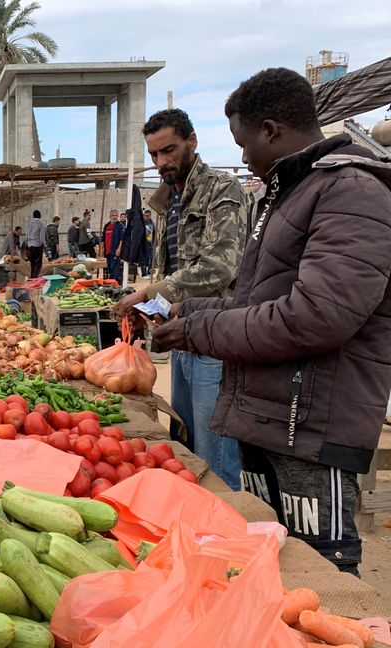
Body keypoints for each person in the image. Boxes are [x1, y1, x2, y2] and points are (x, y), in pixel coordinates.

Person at [153, 68, 391, 575]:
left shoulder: (351, 192)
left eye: (243, 144)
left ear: (270, 130)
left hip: (310, 424)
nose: (242, 158)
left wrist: (199, 330)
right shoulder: (289, 195)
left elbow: (316, 317)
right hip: (272, 416)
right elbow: (255, 298)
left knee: (318, 577)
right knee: (270, 562)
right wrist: (191, 311)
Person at [115, 108, 250, 490]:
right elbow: (172, 270)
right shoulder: (168, 200)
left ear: (192, 141)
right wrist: (149, 308)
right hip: (182, 336)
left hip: (216, 336)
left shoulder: (223, 191)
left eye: (169, 150)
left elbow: (221, 266)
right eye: (154, 154)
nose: (161, 162)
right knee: (185, 440)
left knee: (216, 451)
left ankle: (228, 529)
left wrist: (150, 292)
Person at [101, 209, 124, 283]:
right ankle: (112, 282)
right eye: (113, 215)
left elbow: (122, 238)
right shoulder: (106, 226)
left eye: (116, 215)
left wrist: (119, 249)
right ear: (110, 216)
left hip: (115, 250)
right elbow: (103, 238)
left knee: (115, 269)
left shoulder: (120, 226)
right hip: (108, 251)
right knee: (110, 268)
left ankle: (115, 283)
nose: (115, 217)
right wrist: (102, 248)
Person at [26, 209, 46, 278]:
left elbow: (27, 235)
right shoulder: (41, 223)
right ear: (40, 216)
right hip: (37, 246)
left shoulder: (30, 223)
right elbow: (42, 237)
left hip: (30, 246)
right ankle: (35, 279)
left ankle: (31, 278)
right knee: (38, 265)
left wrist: (28, 245)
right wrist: (45, 247)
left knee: (32, 264)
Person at [141, 209, 156, 279]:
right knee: (144, 259)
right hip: (143, 244)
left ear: (150, 216)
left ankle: (149, 273)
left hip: (150, 244)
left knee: (150, 259)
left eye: (147, 216)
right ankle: (144, 273)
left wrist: (155, 242)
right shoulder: (141, 223)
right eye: (145, 216)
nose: (146, 217)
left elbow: (155, 233)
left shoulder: (152, 223)